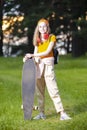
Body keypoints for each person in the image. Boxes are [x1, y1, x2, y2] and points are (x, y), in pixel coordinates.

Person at [23, 18, 71, 120]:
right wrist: (28, 58)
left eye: (44, 26)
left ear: (47, 27)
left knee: (53, 90)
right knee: (39, 92)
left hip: (48, 66)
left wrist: (33, 55)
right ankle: (41, 113)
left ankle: (62, 113)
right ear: (38, 28)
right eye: (40, 26)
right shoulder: (37, 39)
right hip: (38, 67)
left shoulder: (51, 37)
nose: (42, 28)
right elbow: (36, 55)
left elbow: (47, 52)